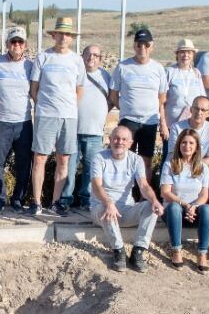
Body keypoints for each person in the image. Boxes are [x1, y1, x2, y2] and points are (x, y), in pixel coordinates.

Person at [28, 16, 84, 215]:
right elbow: (34, 88)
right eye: (60, 33)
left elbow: (79, 89)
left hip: (68, 116)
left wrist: (69, 106)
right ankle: (36, 202)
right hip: (46, 115)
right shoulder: (43, 57)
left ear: (71, 37)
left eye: (67, 34)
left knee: (64, 160)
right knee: (40, 158)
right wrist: (43, 105)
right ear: (54, 35)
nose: (63, 37)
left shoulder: (77, 60)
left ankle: (55, 202)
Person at [90, 123, 163, 272]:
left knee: (151, 206)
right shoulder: (99, 158)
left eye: (124, 139)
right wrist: (109, 203)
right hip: (102, 210)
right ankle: (119, 252)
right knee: (105, 207)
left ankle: (138, 251)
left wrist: (155, 200)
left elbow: (143, 186)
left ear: (130, 143)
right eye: (116, 138)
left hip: (126, 210)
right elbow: (97, 186)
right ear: (110, 139)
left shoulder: (136, 160)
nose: (120, 142)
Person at [0, 26, 34, 211]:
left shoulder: (30, 66)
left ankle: (18, 200)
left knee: (24, 165)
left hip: (23, 122)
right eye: (13, 41)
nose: (16, 45)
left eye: (20, 42)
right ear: (7, 44)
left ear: (25, 45)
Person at [157, 128, 209, 272]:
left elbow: (204, 195)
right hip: (173, 210)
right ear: (178, 145)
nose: (187, 146)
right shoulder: (170, 164)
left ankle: (202, 253)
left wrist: (193, 206)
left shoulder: (203, 167)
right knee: (174, 207)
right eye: (183, 143)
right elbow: (165, 192)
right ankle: (176, 250)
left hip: (194, 210)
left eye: (191, 143)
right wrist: (185, 204)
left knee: (207, 209)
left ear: (196, 147)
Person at [111, 27, 168, 162]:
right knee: (123, 158)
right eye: (139, 44)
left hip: (149, 121)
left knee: (146, 160)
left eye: (146, 44)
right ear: (134, 46)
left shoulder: (158, 68)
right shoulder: (122, 67)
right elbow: (113, 95)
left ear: (151, 47)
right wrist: (128, 107)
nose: (142, 47)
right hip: (128, 120)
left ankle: (142, 184)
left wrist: (148, 109)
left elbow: (162, 97)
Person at [68, 44, 111, 211]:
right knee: (69, 168)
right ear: (82, 56)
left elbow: (112, 98)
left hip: (94, 131)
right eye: (88, 54)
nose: (91, 58)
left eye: (95, 55)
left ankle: (86, 200)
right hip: (73, 129)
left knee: (91, 170)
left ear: (100, 59)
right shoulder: (76, 74)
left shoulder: (106, 76)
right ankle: (65, 200)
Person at [164, 38, 206, 126]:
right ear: (177, 54)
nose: (185, 55)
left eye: (189, 52)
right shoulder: (169, 72)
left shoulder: (196, 73)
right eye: (182, 52)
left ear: (193, 55)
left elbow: (202, 97)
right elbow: (161, 100)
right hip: (172, 123)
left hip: (192, 122)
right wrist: (163, 123)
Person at [169, 97, 209, 167]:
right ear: (191, 110)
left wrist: (193, 164)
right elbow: (172, 154)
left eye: (203, 110)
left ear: (208, 113)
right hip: (179, 166)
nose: (199, 113)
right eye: (196, 108)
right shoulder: (176, 127)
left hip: (200, 167)